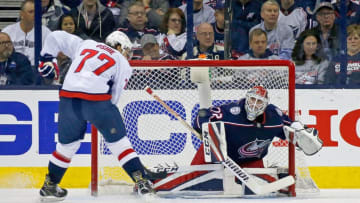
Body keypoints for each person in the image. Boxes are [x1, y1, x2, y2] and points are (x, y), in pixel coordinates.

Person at [37, 30, 162, 201]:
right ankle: (142, 182)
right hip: (96, 100)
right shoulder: (122, 63)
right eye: (126, 51)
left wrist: (45, 59)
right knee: (119, 143)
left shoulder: (86, 44)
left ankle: (49, 185)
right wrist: (106, 120)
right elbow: (115, 96)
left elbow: (55, 36)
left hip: (67, 98)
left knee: (66, 146)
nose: (127, 56)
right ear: (118, 46)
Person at [191, 85, 322, 194]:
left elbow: (291, 128)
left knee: (264, 191)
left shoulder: (274, 117)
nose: (254, 104)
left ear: (265, 104)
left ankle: (278, 176)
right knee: (192, 185)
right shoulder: (231, 113)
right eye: (252, 99)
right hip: (218, 156)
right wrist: (203, 127)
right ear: (246, 98)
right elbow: (201, 116)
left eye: (259, 101)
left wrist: (300, 131)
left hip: (251, 160)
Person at [2, 0, 52, 67]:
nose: (34, 14)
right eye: (31, 12)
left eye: (36, 12)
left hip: (35, 71)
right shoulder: (7, 31)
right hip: (11, 71)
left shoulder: (46, 33)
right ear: (22, 14)